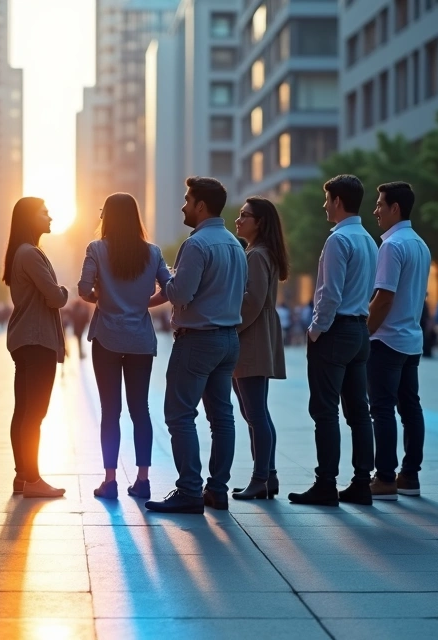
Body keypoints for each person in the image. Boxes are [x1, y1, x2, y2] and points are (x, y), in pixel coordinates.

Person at [145, 177, 246, 515]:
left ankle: (189, 490)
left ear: (201, 205)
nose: (184, 206)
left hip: (198, 340)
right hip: (229, 339)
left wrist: (165, 280)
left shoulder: (197, 244)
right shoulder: (234, 243)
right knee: (222, 417)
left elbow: (181, 294)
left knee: (179, 414)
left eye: (188, 200)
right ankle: (217, 489)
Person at [287, 175, 377, 508]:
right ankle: (361, 483)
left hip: (336, 331)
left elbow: (329, 293)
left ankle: (326, 483)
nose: (324, 205)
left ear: (338, 201)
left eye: (327, 199)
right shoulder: (369, 240)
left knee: (325, 411)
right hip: (359, 331)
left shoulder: (339, 240)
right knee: (359, 412)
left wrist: (315, 329)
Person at [78, 193, 170, 500]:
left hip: (106, 336)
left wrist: (103, 299)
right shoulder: (153, 252)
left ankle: (110, 480)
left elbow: (82, 289)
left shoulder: (96, 249)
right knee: (140, 409)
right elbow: (169, 289)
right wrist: (144, 302)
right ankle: (143, 479)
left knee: (110, 411)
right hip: (140, 339)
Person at [365, 182, 431, 501]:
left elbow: (383, 298)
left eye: (380, 204)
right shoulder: (419, 243)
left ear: (395, 208)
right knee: (410, 408)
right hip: (411, 339)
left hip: (387, 339)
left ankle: (386, 477)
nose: (375, 210)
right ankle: (409, 475)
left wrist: (364, 333)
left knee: (381, 409)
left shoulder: (391, 246)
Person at [3, 197, 69, 499]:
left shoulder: (24, 251)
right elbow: (55, 297)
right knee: (35, 413)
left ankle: (23, 477)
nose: (50, 216)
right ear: (31, 218)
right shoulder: (30, 253)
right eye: (44, 212)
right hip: (36, 339)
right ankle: (33, 479)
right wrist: (65, 290)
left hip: (27, 339)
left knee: (24, 410)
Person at [230, 197, 289, 500]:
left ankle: (261, 477)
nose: (238, 220)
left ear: (260, 222)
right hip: (256, 335)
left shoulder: (255, 255)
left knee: (255, 413)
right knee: (256, 411)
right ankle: (268, 476)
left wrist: (228, 325)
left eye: (244, 216)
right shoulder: (259, 253)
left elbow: (251, 302)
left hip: (250, 338)